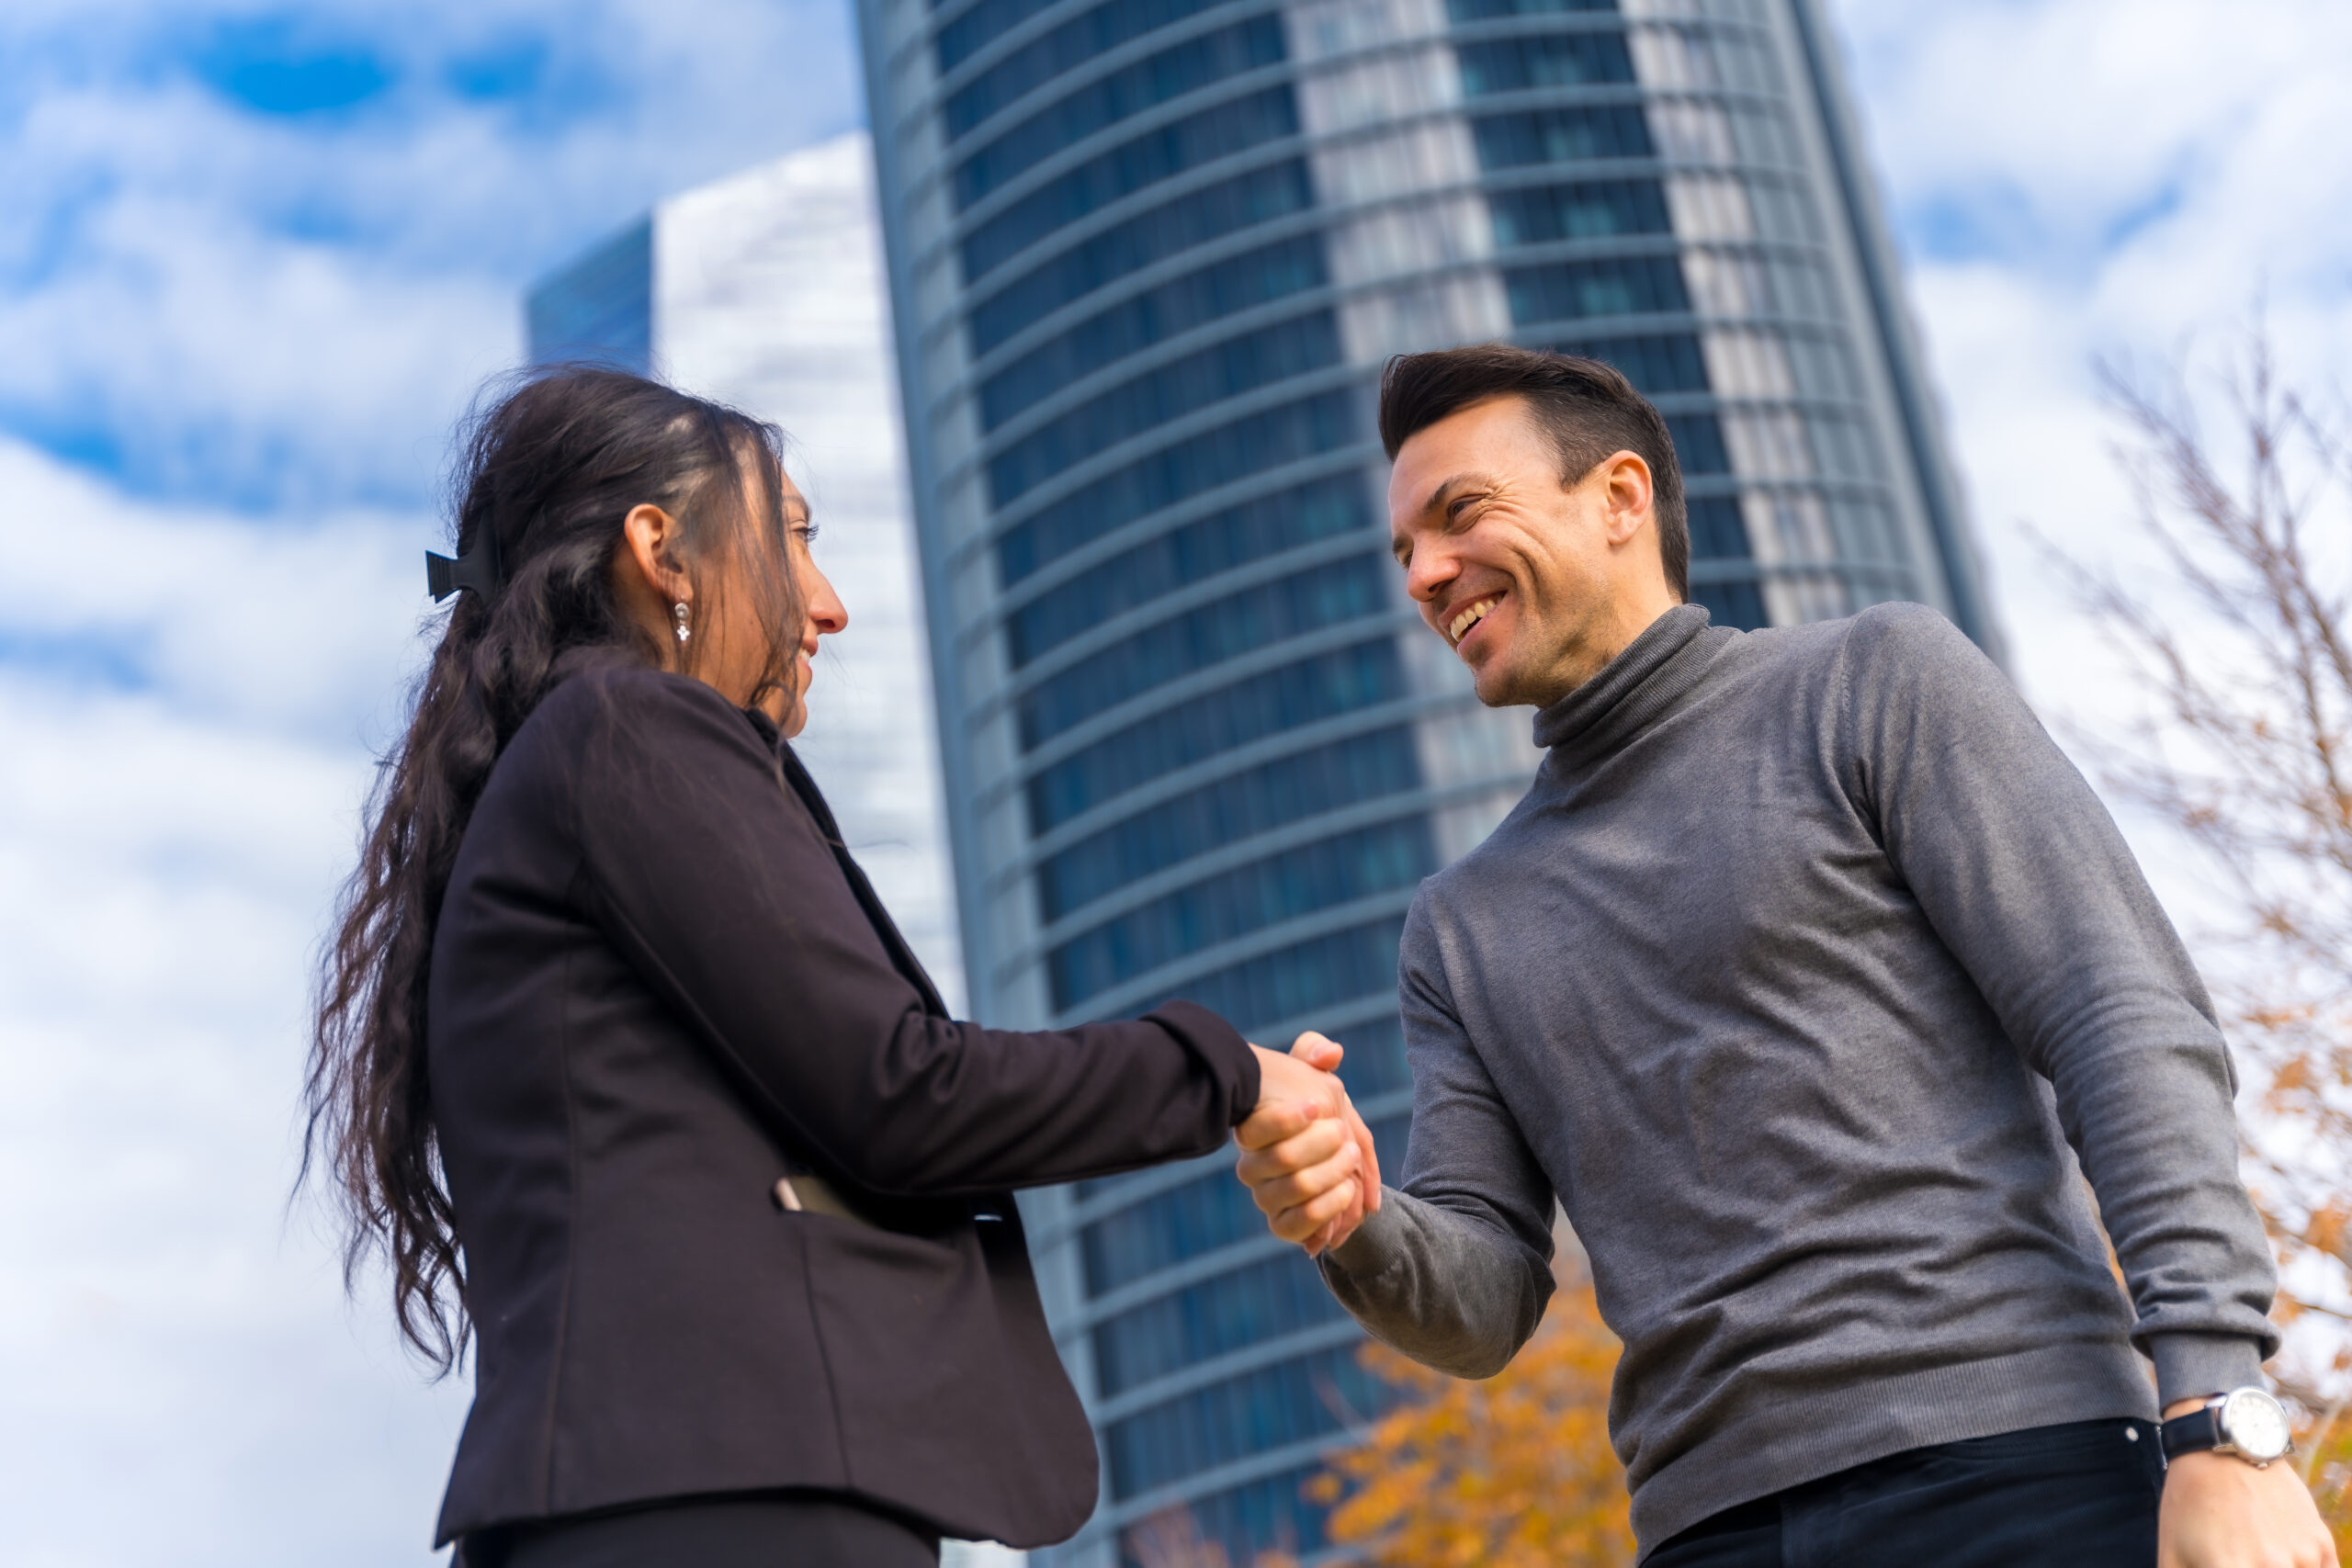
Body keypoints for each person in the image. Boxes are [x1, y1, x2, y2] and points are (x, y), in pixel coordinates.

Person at [1233, 344, 2336, 1568]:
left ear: (1618, 499)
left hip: (2030, 1470)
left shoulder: (1871, 686)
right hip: (1710, 1534)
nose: (1428, 574)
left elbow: (2120, 1020)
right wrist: (1352, 1214)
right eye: (1406, 555)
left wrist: (2223, 1419)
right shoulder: (1459, 926)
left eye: (1461, 514)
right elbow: (1487, 1300)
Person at [305, 367, 1379, 1568]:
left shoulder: (569, 764)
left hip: (655, 1494)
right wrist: (1227, 1073)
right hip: (731, 1499)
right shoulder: (632, 727)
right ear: (661, 553)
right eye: (795, 542)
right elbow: (898, 1091)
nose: (828, 606)